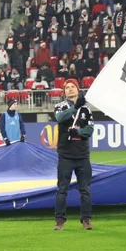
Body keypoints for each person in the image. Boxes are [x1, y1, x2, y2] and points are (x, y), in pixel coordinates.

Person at [53, 79, 93, 230]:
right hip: (65, 155)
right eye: (67, 87)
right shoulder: (60, 106)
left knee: (85, 189)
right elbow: (60, 118)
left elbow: (90, 130)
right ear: (64, 92)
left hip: (83, 155)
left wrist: (79, 132)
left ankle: (86, 220)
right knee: (62, 189)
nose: (70, 89)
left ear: (78, 89)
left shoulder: (86, 110)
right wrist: (74, 107)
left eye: (73, 87)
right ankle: (60, 220)